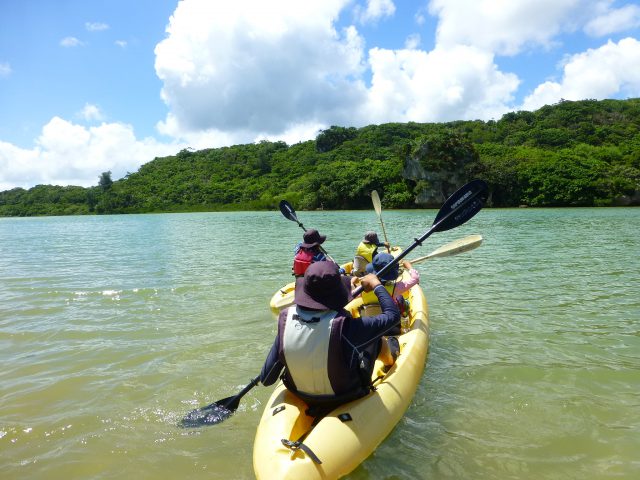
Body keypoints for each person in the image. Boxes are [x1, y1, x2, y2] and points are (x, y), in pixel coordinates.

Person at [260, 261, 400, 409]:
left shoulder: (285, 320)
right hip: (346, 395)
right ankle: (390, 361)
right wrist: (376, 285)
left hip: (299, 394)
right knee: (375, 338)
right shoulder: (348, 327)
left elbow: (267, 379)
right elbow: (393, 316)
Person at [358, 254, 420, 326]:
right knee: (400, 298)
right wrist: (409, 267)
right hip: (389, 321)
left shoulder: (362, 288)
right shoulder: (396, 288)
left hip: (370, 322)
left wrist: (352, 283)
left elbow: (352, 294)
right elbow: (415, 279)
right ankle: (405, 313)